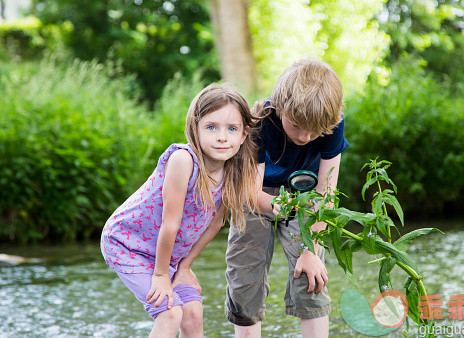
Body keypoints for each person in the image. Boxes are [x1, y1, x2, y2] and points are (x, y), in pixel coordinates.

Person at [101, 84, 259, 338]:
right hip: (128, 244)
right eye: (211, 127)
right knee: (170, 312)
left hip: (168, 254)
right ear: (195, 129)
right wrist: (162, 275)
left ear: (243, 134)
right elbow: (170, 223)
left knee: (193, 312)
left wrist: (184, 267)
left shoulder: (234, 171)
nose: (222, 136)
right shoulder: (183, 160)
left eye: (232, 129)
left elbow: (215, 224)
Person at [225, 59, 349, 337]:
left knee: (311, 275)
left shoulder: (332, 121)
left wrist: (310, 247)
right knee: (246, 276)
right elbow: (251, 193)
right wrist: (279, 206)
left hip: (307, 196)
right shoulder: (259, 120)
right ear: (280, 108)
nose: (305, 137)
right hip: (257, 194)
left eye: (315, 131)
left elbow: (326, 195)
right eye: (296, 126)